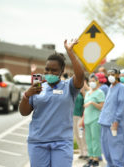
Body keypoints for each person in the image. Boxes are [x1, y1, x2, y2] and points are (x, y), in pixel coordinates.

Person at [19, 39, 84, 167]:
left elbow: (80, 76)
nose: (49, 73)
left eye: (54, 70)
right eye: (47, 69)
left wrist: (70, 52)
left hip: (62, 142)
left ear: (61, 71)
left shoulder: (69, 87)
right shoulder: (38, 88)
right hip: (38, 142)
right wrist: (26, 95)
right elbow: (24, 112)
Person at [98, 68, 124, 167]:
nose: (110, 76)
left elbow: (121, 105)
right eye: (109, 74)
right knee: (106, 148)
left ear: (118, 75)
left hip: (113, 123)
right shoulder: (110, 87)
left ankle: (118, 165)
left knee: (116, 148)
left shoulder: (121, 87)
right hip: (104, 121)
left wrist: (116, 121)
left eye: (113, 74)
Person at [83, 74, 105, 167]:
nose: (91, 82)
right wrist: (82, 120)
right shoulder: (88, 92)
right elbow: (85, 107)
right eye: (90, 81)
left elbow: (102, 106)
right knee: (88, 139)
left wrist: (92, 103)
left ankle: (96, 159)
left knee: (95, 139)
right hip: (87, 119)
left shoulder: (100, 92)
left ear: (97, 82)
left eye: (93, 81)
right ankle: (91, 158)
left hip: (95, 118)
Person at [73, 85, 88, 160]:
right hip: (73, 116)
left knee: (82, 135)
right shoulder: (74, 93)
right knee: (76, 135)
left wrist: (83, 93)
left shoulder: (83, 95)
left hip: (80, 117)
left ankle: (85, 152)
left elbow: (86, 104)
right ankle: (81, 152)